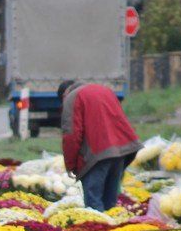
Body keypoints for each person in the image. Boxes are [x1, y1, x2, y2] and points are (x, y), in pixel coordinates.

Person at [57, 79, 139, 213]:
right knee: (110, 205)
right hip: (121, 151)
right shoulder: (104, 90)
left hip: (97, 155)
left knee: (94, 206)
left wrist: (70, 165)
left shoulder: (72, 98)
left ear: (64, 95)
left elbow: (71, 135)